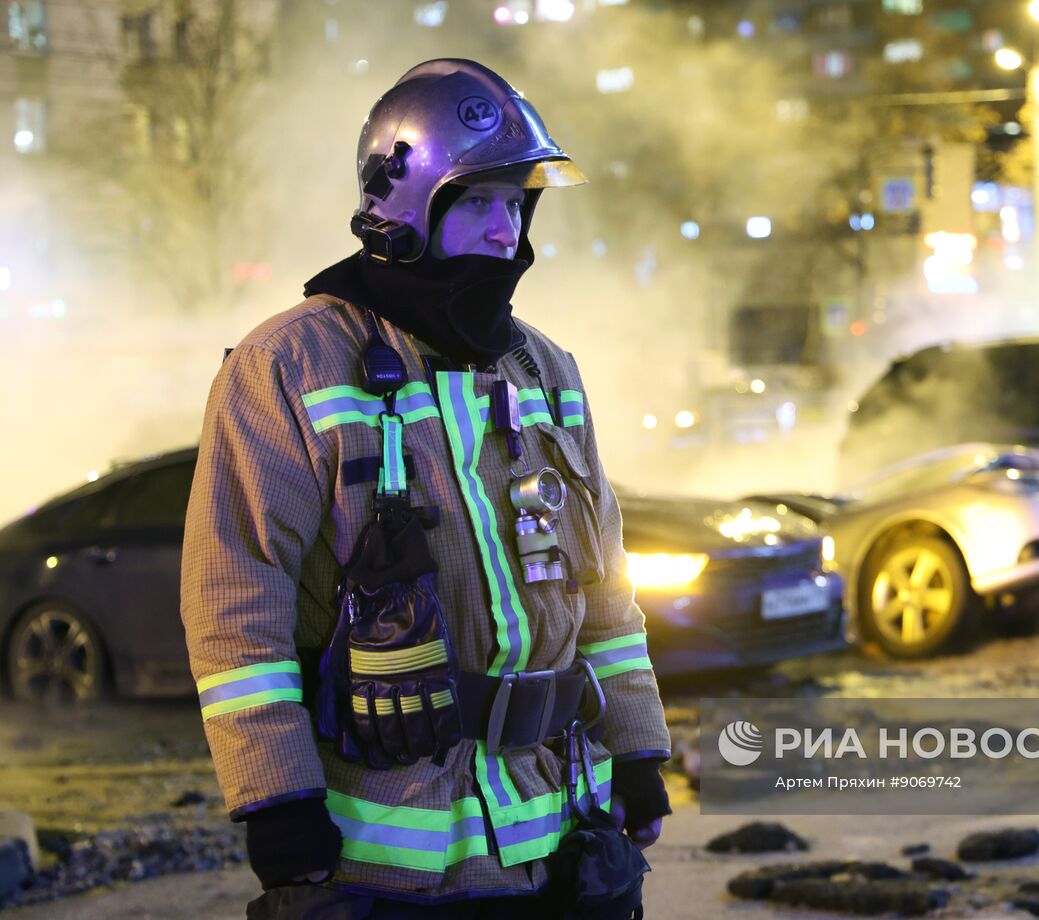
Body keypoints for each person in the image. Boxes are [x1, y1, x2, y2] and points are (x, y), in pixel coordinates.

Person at [180, 59, 671, 918]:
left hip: (559, 841)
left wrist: (635, 751)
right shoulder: (289, 366)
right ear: (403, 210)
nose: (503, 229)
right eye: (478, 202)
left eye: (517, 203)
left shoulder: (545, 368)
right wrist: (277, 800)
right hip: (388, 864)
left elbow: (605, 591)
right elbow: (235, 602)